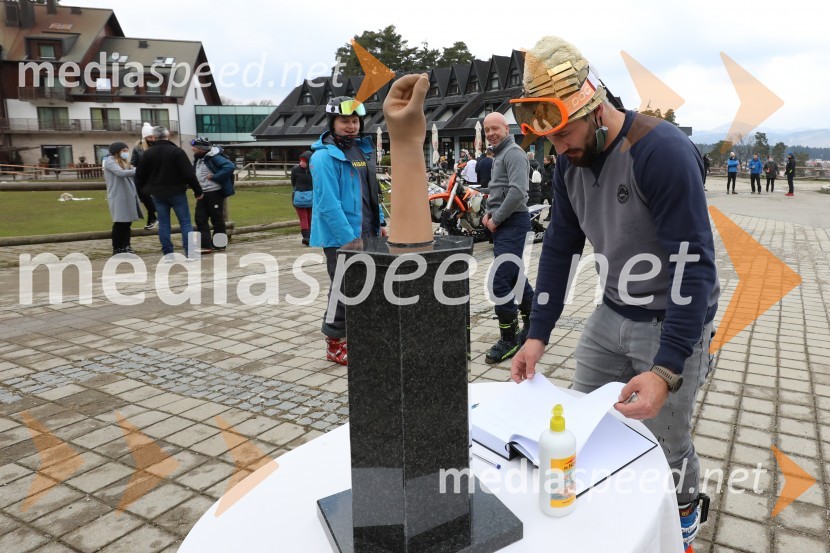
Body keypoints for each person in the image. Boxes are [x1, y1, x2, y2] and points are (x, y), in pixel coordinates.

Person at [509, 36, 719, 551]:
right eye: (549, 139)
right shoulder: (568, 164)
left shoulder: (660, 152)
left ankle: (684, 514)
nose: (559, 150)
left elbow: (694, 271)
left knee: (666, 442)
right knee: (585, 426)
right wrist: (536, 335)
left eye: (565, 133)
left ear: (596, 107)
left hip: (673, 319)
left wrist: (667, 369)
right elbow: (560, 249)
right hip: (611, 312)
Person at [309, 96, 387, 365]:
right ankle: (333, 343)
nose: (351, 126)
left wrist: (380, 223)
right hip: (341, 238)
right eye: (345, 121)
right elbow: (327, 203)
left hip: (367, 232)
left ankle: (358, 336)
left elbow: (369, 192)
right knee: (342, 290)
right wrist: (348, 238)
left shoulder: (361, 151)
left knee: (366, 288)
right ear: (332, 123)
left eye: (355, 121)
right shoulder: (323, 158)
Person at [481, 111, 535, 364]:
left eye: (495, 128)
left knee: (499, 282)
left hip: (512, 223)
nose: (491, 133)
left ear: (506, 128)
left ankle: (509, 339)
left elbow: (518, 192)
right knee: (514, 276)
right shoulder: (499, 154)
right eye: (487, 130)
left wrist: (497, 218)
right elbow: (500, 191)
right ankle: (534, 326)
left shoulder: (513, 153)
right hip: (505, 223)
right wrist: (488, 213)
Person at [135, 126, 203, 260]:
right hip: (177, 191)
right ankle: (190, 253)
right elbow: (189, 174)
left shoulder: (147, 154)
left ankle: (168, 254)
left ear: (154, 137)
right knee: (185, 223)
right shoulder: (177, 152)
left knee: (164, 224)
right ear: (169, 135)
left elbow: (140, 176)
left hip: (158, 194)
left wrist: (143, 192)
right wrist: (198, 191)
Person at [191, 137, 235, 253]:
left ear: (201, 148)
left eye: (194, 147)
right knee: (200, 218)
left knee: (217, 219)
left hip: (214, 192)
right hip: (202, 193)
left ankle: (220, 244)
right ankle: (205, 245)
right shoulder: (198, 158)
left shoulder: (214, 157)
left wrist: (215, 177)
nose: (192, 149)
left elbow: (229, 166)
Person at [103, 141, 143, 255]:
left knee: (127, 223)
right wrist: (138, 171)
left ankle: (126, 245)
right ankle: (117, 248)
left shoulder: (124, 162)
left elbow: (131, 170)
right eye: (124, 150)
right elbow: (120, 173)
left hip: (128, 195)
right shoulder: (110, 161)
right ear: (117, 151)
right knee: (120, 223)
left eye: (127, 150)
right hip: (118, 196)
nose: (126, 153)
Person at [130, 122, 158, 229]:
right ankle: (152, 216)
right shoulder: (138, 148)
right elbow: (133, 162)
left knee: (150, 196)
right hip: (142, 176)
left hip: (155, 176)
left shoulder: (157, 146)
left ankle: (152, 217)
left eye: (153, 137)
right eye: (150, 137)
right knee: (143, 195)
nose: (152, 139)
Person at [290, 150, 314, 246]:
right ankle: (307, 237)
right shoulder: (296, 169)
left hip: (307, 197)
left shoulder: (312, 170)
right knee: (304, 217)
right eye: (301, 160)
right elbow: (293, 183)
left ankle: (309, 236)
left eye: (304, 161)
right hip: (302, 197)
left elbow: (293, 182)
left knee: (310, 217)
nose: (301, 163)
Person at [541, 154, 555, 220]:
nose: (543, 161)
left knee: (550, 204)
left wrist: (547, 182)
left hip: (549, 189)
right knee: (539, 203)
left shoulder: (552, 169)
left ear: (549, 161)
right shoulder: (544, 168)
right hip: (543, 188)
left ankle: (550, 216)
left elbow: (554, 178)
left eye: (544, 160)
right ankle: (536, 217)